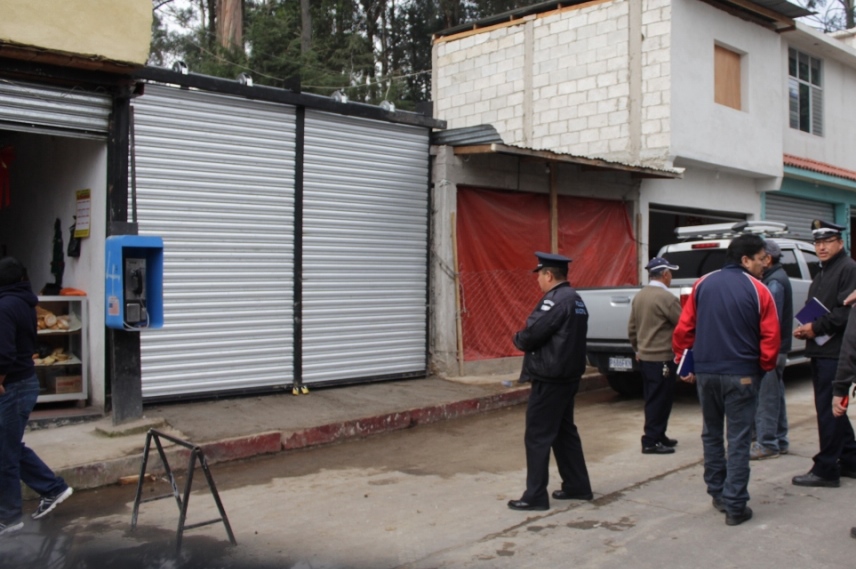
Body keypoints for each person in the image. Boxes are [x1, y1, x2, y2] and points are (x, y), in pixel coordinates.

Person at [672, 233, 780, 526]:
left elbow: (684, 331)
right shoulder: (759, 290)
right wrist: (762, 368)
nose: (764, 265)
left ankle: (718, 492)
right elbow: (770, 338)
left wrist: (686, 363)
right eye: (760, 259)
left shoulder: (702, 284)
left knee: (711, 433)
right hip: (742, 374)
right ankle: (735, 504)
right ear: (745, 260)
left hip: (707, 373)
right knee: (740, 438)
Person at [508, 252, 593, 511]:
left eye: (540, 276)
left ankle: (535, 496)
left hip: (550, 377)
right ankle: (578, 485)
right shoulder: (576, 299)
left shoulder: (555, 301)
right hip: (567, 377)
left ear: (548, 275)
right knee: (564, 432)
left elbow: (532, 334)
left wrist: (518, 338)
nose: (538, 282)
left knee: (538, 436)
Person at [0, 257, 73, 536]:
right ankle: (53, 488)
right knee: (8, 447)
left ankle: (9, 517)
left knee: (5, 455)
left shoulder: (5, 306)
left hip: (13, 387)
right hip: (22, 383)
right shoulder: (24, 302)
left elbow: (3, 353)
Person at [792, 220, 856, 488]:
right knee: (832, 410)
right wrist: (805, 328)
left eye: (827, 242)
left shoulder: (848, 268)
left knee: (828, 411)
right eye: (817, 243)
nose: (821, 247)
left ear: (839, 243)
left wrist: (815, 327)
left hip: (835, 351)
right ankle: (851, 460)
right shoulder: (823, 272)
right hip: (820, 349)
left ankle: (826, 468)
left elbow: (845, 312)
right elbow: (817, 306)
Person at [628, 257, 682, 455]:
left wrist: (638, 350)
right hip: (662, 357)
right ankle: (651, 440)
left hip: (646, 357)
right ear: (665, 274)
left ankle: (659, 434)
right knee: (661, 399)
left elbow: (632, 328)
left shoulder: (640, 296)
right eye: (670, 274)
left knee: (654, 397)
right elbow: (683, 324)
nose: (671, 278)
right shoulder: (667, 298)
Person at [750, 240, 793, 460]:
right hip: (778, 348)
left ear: (768, 259)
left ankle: (767, 443)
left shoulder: (773, 283)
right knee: (775, 394)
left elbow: (770, 320)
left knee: (766, 396)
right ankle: (780, 439)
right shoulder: (774, 278)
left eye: (758, 257)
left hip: (772, 349)